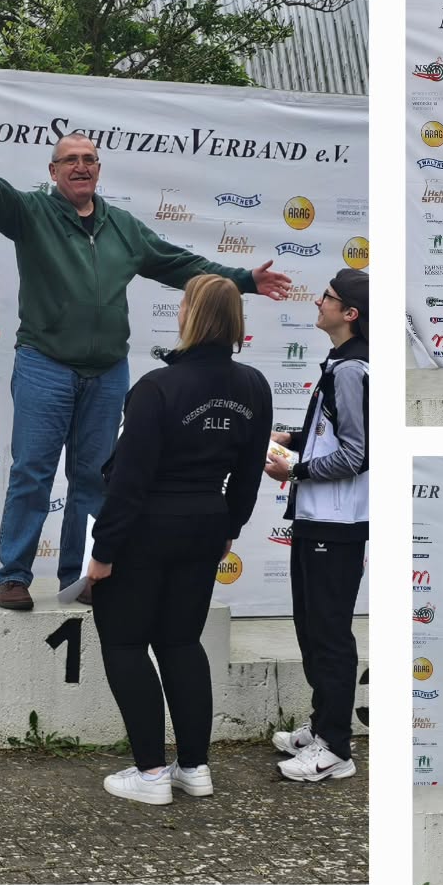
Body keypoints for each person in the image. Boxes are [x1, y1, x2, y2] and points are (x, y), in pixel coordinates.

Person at [0, 85, 291, 609]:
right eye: (70, 160)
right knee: (32, 473)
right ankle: (13, 575)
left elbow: (180, 264)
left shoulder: (121, 226)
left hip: (107, 372)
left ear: (98, 170)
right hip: (44, 364)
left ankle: (78, 577)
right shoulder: (30, 212)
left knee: (94, 478)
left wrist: (243, 279)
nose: (81, 166)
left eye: (89, 159)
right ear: (53, 171)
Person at [86, 276, 271, 805]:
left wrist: (103, 551)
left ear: (191, 313)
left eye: (183, 303)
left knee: (125, 643)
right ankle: (194, 767)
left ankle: (150, 774)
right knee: (182, 643)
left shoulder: (157, 387)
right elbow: (248, 476)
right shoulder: (254, 386)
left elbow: (128, 481)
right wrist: (229, 529)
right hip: (206, 524)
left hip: (147, 528)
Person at [266, 269, 369, 784]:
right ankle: (322, 725)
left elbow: (356, 454)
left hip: (337, 522)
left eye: (327, 297)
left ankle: (336, 748)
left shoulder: (352, 369)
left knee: (329, 635)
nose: (318, 302)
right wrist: (293, 437)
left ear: (349, 313)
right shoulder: (340, 363)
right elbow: (331, 432)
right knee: (311, 628)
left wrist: (297, 470)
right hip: (315, 518)